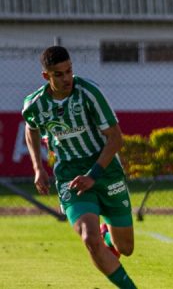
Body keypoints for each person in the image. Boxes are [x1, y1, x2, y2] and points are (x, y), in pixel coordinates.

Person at [22, 46, 137, 288]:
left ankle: (107, 232)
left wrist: (93, 175)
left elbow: (116, 138)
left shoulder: (89, 93)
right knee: (89, 239)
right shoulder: (35, 104)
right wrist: (37, 168)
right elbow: (31, 128)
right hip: (69, 176)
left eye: (69, 71)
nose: (67, 78)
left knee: (125, 248)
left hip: (105, 171)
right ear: (46, 77)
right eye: (59, 74)